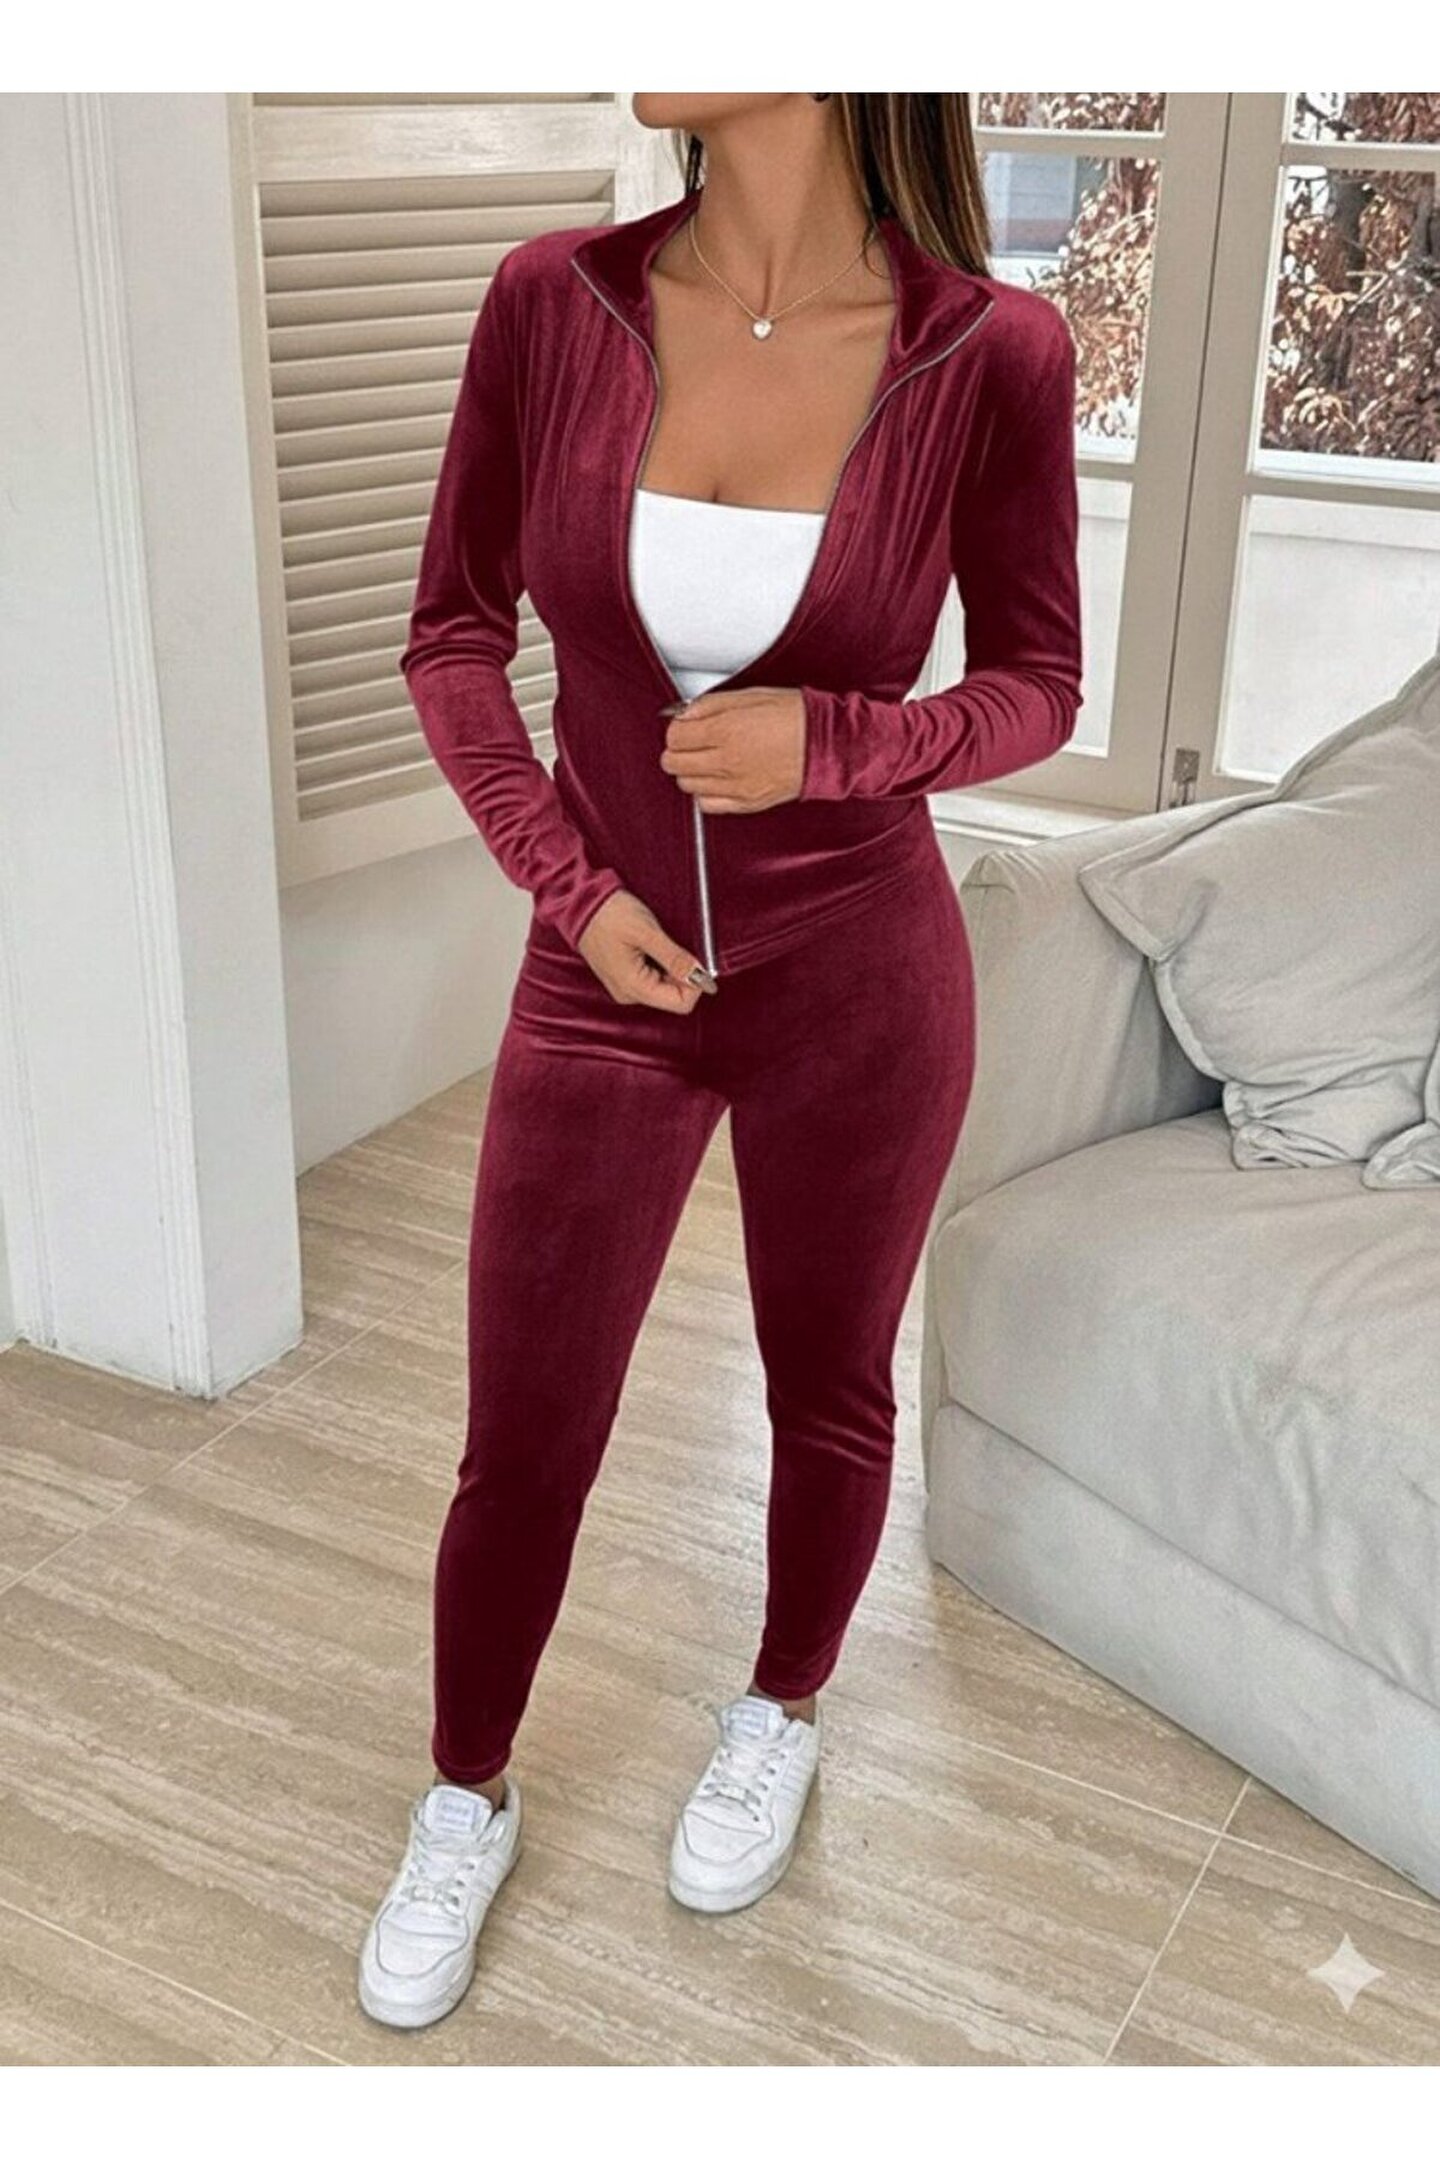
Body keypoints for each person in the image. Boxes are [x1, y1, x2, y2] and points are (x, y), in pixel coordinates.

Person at [358, 91, 1083, 2030]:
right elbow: (451, 636)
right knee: (525, 1431)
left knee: (829, 1389)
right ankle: (465, 1793)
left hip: (864, 977)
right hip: (598, 970)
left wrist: (837, 744)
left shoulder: (990, 353)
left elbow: (1038, 681)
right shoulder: (552, 303)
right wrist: (569, 887)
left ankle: (782, 1711)